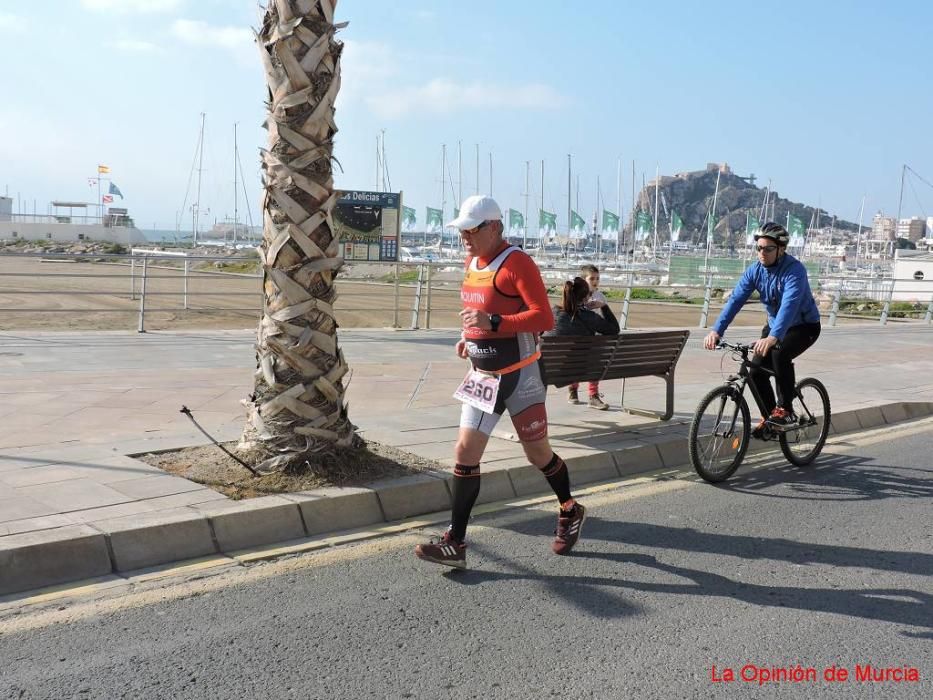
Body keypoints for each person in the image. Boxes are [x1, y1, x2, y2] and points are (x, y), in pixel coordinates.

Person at [415, 195, 586, 569]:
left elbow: (543, 318)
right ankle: (455, 542)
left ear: (494, 227)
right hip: (482, 376)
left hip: (521, 375)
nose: (463, 235)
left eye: (471, 229)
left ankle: (570, 509)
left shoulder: (518, 263)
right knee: (464, 452)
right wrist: (469, 337)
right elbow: (475, 311)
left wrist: (493, 325)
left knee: (537, 454)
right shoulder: (472, 261)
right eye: (460, 229)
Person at [703, 222, 821, 437]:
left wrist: (774, 337)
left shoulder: (795, 271)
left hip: (804, 326)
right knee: (755, 372)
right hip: (776, 325)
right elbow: (735, 300)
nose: (761, 253)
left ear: (781, 249)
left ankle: (785, 411)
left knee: (779, 353)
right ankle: (772, 421)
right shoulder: (755, 270)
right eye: (758, 248)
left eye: (767, 249)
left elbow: (789, 305)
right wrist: (716, 331)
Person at [547, 275, 620, 410]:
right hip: (583, 370)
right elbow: (614, 330)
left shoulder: (553, 313)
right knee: (595, 350)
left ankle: (572, 392)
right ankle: (593, 396)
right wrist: (603, 306)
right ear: (586, 297)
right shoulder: (589, 317)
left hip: (549, 370)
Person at [567, 264, 615, 409]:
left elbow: (604, 320)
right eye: (592, 278)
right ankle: (574, 390)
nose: (595, 281)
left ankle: (591, 395)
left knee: (591, 358)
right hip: (582, 339)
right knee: (585, 359)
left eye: (598, 278)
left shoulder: (600, 297)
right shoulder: (576, 298)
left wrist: (601, 306)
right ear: (583, 281)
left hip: (594, 339)